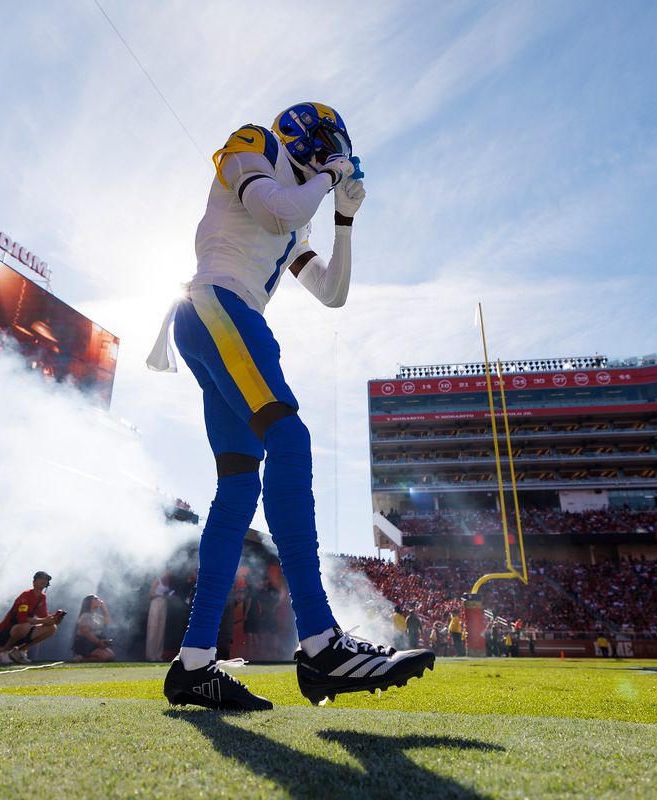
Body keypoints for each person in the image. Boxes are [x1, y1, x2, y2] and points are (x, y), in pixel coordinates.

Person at [147, 102, 433, 710]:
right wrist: (331, 179)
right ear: (308, 136)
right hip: (217, 305)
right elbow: (273, 209)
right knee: (292, 441)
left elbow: (331, 293)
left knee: (237, 490)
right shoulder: (253, 145)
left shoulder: (301, 211)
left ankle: (194, 663)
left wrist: (346, 222)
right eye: (331, 147)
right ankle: (322, 642)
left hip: (225, 319)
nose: (336, 157)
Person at [0, 571, 65, 664]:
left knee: (52, 628)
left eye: (46, 580)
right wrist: (45, 620)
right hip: (3, 632)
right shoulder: (26, 595)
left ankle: (20, 651)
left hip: (21, 631)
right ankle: (3, 652)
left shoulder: (42, 597)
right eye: (41, 578)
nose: (44, 581)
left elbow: (44, 616)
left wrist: (54, 619)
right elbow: (22, 619)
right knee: (25, 626)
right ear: (34, 582)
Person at [74, 594, 115, 662]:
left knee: (111, 656)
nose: (99, 600)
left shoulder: (96, 616)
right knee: (103, 657)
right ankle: (82, 659)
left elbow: (107, 621)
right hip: (86, 643)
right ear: (89, 602)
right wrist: (98, 642)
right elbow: (86, 632)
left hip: (95, 643)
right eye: (96, 599)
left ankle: (85, 658)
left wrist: (103, 608)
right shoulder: (85, 616)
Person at [146, 571, 174, 661]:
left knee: (161, 630)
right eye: (167, 571)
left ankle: (158, 654)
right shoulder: (157, 580)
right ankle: (150, 655)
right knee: (153, 628)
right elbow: (150, 594)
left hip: (163, 603)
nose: (168, 573)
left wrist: (168, 595)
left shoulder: (168, 581)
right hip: (155, 603)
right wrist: (161, 594)